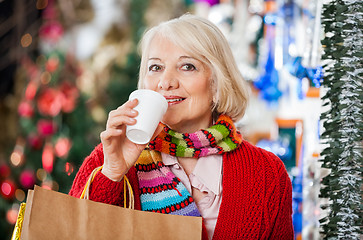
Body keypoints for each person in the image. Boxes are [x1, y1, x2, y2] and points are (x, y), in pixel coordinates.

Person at [69, 14, 293, 239]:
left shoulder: (267, 173)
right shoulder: (111, 157)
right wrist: (112, 174)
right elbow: (71, 233)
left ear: (217, 83)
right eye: (155, 67)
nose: (165, 82)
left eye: (187, 66)